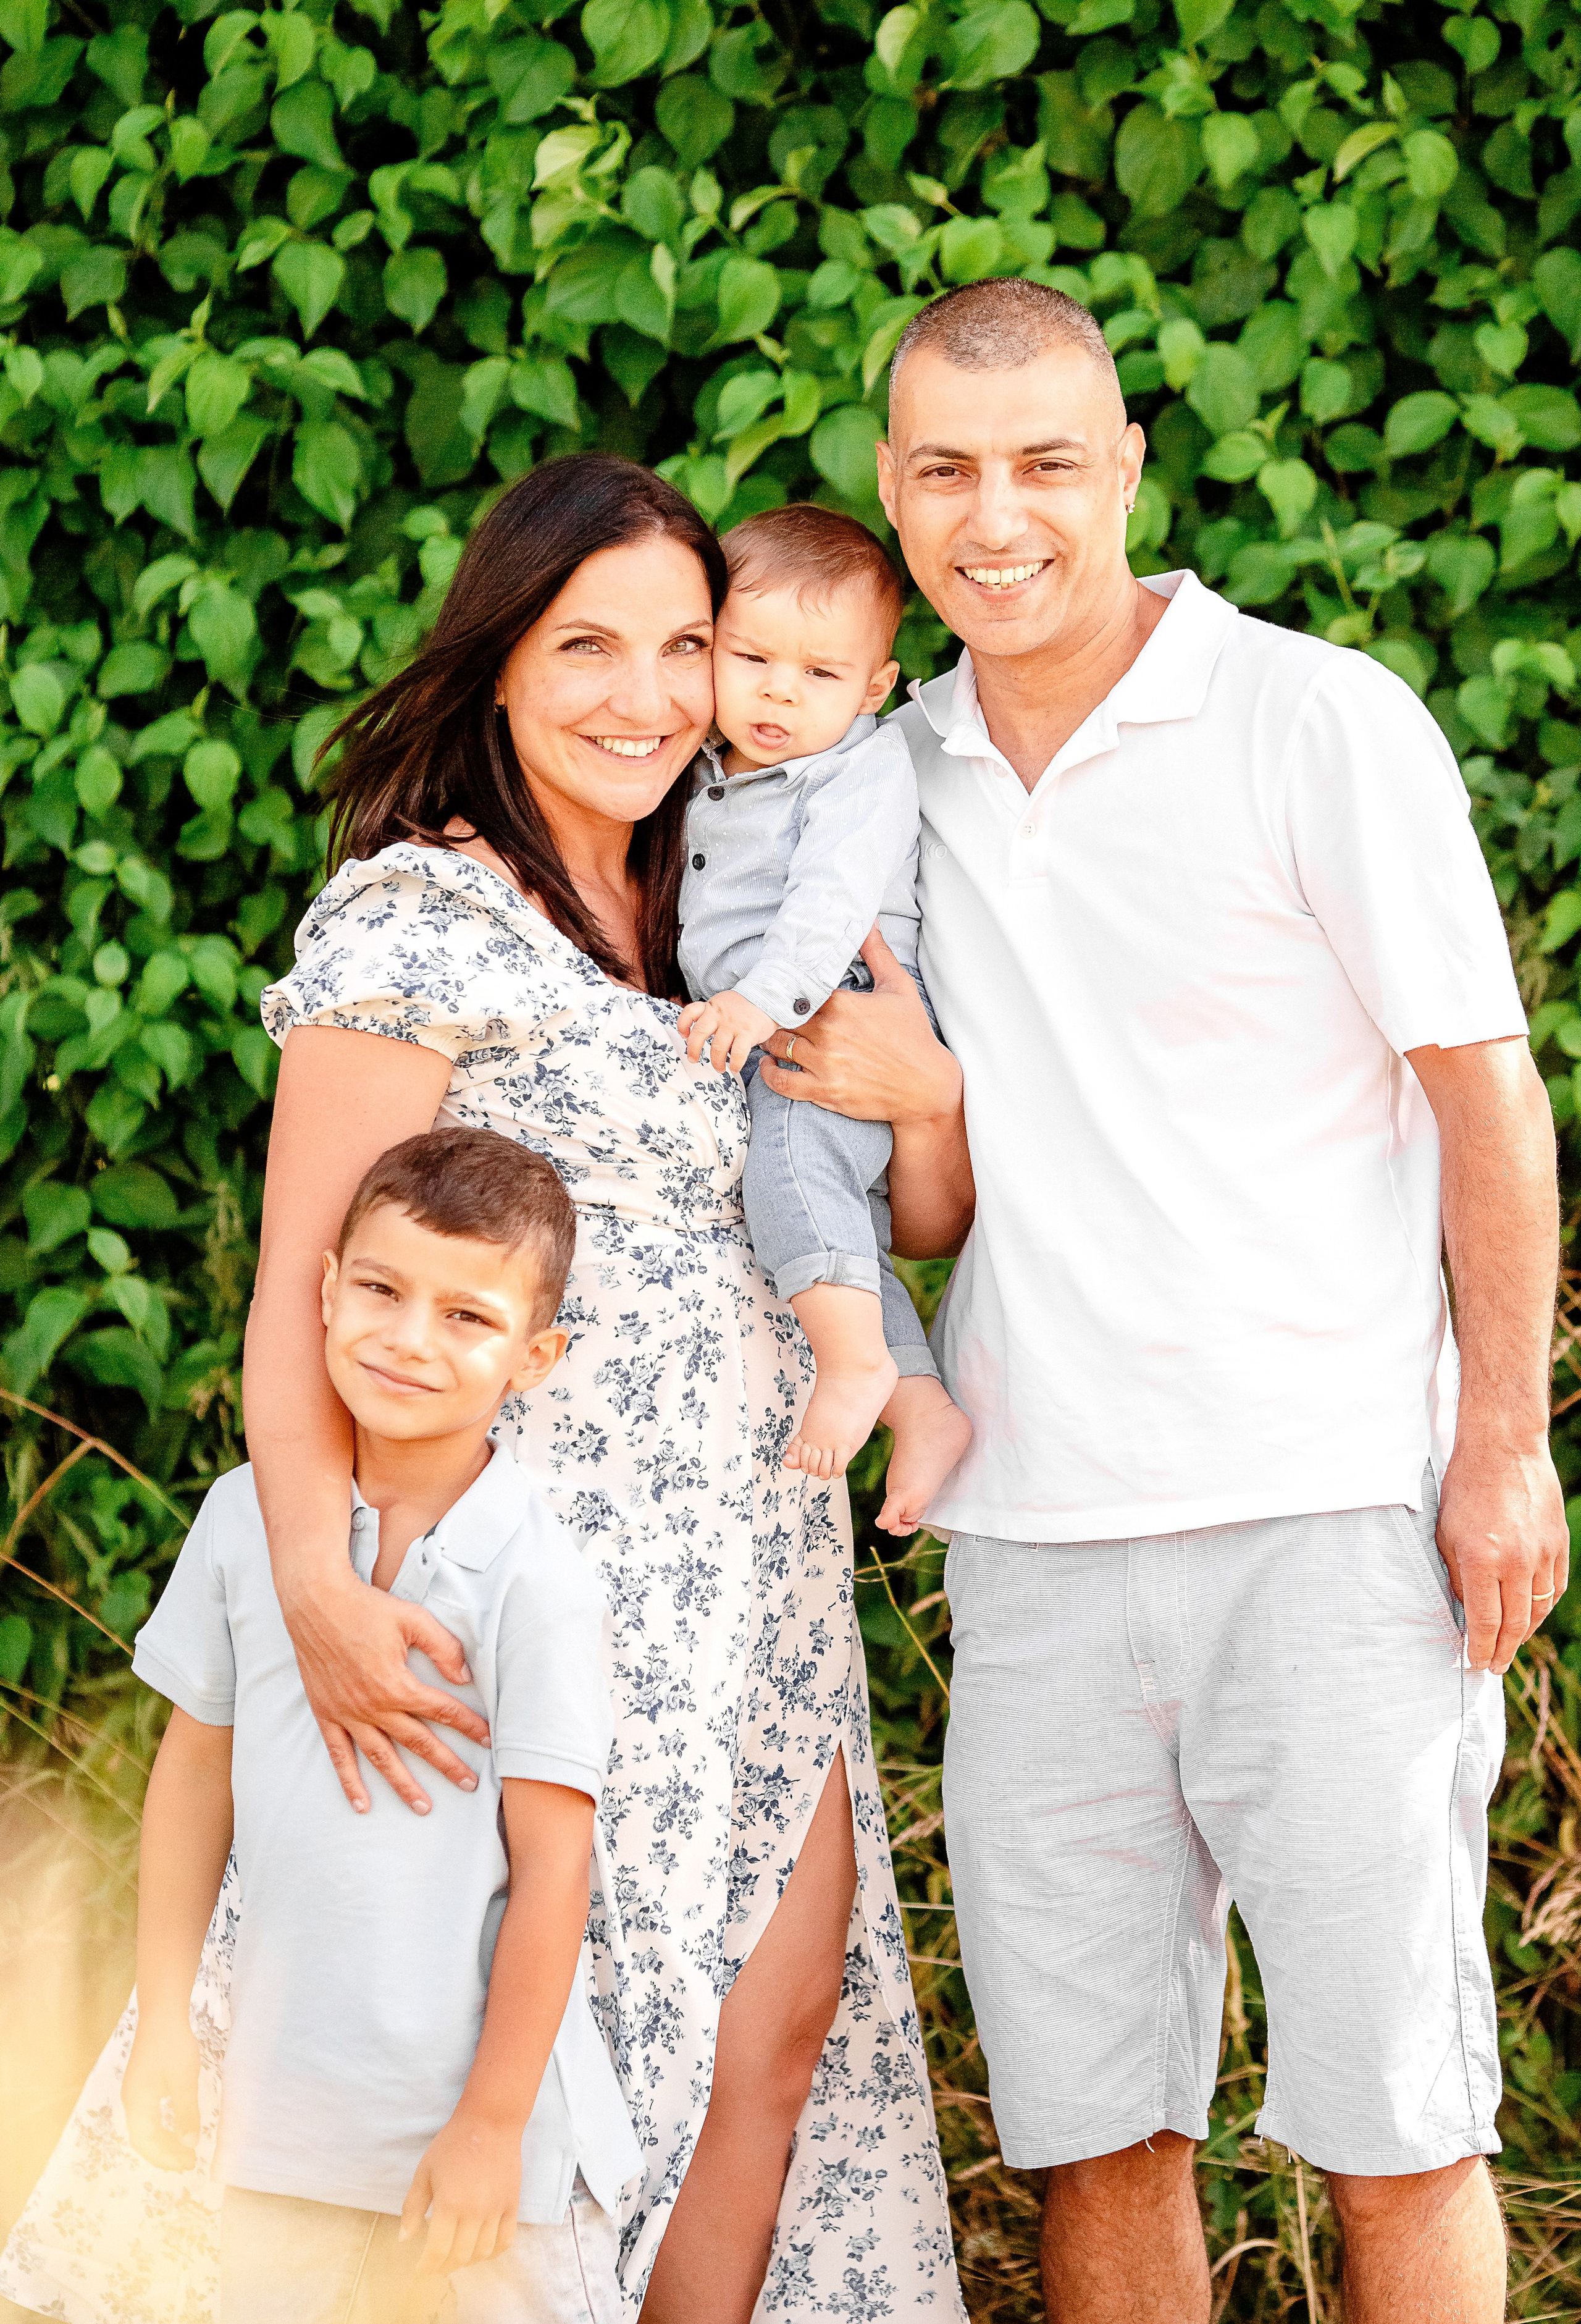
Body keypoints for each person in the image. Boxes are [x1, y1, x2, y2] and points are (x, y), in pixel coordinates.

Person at [0, 456, 962, 2324]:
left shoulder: (722, 895)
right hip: (519, 1600)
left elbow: (901, 1211)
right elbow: (302, 1287)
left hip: (755, 1587)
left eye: (685, 646)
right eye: (587, 645)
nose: (647, 696)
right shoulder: (423, 918)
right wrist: (313, 1581)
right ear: (501, 657)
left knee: (763, 2049)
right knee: (486, 2096)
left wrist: (929, 1097)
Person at [751, 278, 1569, 2324]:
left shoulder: (1316, 718)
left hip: (1332, 1522)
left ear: (1126, 467)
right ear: (890, 488)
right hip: (1036, 1543)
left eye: (1046, 463)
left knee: (1397, 2121)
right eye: (947, 470)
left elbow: (1487, 1097)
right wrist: (929, 1106)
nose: (996, 518)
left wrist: (1503, 1447)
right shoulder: (885, 776)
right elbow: (929, 1210)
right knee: (1093, 2133)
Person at [122, 1126, 639, 2324]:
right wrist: (161, 2023)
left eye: (466, 1317)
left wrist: (492, 2124)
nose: (409, 1340)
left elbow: (554, 1868)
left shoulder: (536, 1578)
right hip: (286, 2120)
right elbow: (191, 1782)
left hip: (483, 2157)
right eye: (380, 1290)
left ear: (535, 1357)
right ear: (324, 1290)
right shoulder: (246, 1520)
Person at [675, 503, 973, 1532]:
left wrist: (761, 1000)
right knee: (814, 1224)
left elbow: (830, 901)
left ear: (874, 688)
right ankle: (921, 1406)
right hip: (765, 1027)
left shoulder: (860, 767)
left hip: (835, 1010)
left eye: (819, 672)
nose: (779, 691)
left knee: (792, 1178)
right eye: (751, 657)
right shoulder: (708, 767)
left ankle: (853, 1367)